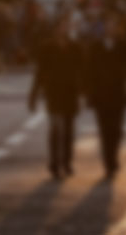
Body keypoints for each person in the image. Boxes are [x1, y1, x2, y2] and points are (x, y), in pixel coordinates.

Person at [29, 16, 84, 179]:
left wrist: (85, 92)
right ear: (55, 29)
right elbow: (40, 72)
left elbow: (83, 70)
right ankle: (54, 163)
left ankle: (67, 162)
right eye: (61, 26)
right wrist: (33, 94)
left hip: (71, 92)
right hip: (53, 92)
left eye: (66, 26)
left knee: (68, 129)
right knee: (55, 128)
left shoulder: (75, 47)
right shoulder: (46, 47)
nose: (64, 29)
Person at [85, 16, 126, 180]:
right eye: (108, 25)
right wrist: (88, 93)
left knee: (116, 130)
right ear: (104, 28)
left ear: (116, 28)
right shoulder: (96, 46)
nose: (111, 28)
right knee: (104, 129)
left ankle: (113, 157)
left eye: (113, 25)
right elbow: (90, 71)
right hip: (101, 95)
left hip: (118, 95)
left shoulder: (123, 45)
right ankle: (109, 163)